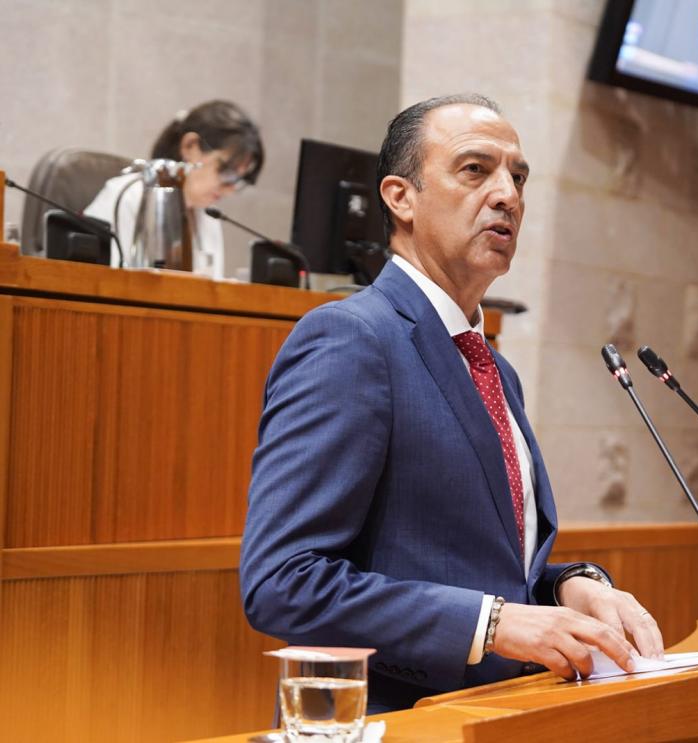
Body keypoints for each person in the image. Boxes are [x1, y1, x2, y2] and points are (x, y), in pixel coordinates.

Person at [239, 94, 663, 712]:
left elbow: (473, 571)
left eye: (518, 177)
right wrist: (490, 625)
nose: (508, 195)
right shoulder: (352, 339)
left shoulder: (492, 365)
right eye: (475, 170)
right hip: (389, 720)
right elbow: (283, 583)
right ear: (400, 197)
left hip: (492, 716)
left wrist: (568, 586)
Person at [84, 100, 263, 279]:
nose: (230, 189)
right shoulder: (126, 195)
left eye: (239, 180)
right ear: (190, 146)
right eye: (227, 172)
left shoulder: (209, 217)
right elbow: (99, 282)